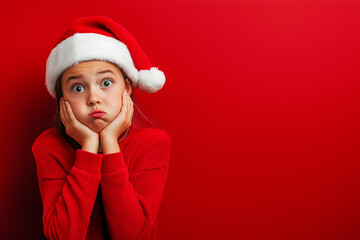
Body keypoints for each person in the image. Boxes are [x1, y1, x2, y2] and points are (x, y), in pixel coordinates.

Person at [32, 16, 171, 240]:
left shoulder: (152, 143)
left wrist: (109, 144)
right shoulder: (48, 147)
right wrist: (88, 149)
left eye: (106, 83)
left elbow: (132, 235)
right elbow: (63, 235)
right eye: (77, 87)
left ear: (126, 89)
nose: (93, 98)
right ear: (62, 99)